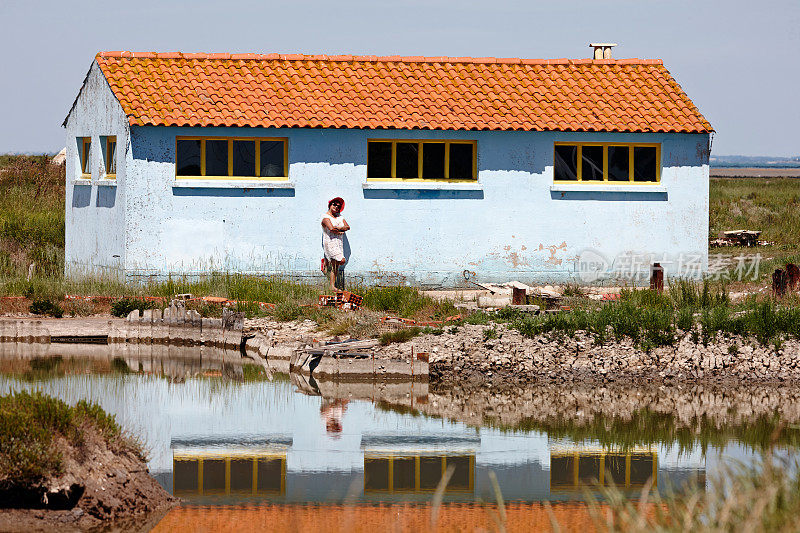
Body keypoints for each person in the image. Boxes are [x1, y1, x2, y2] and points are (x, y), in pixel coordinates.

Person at [321, 197, 349, 291]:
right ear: (330, 205)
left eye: (338, 206)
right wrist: (341, 229)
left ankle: (332, 286)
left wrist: (339, 229)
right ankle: (326, 262)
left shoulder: (340, 217)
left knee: (335, 264)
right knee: (341, 260)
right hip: (330, 241)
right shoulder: (325, 217)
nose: (336, 207)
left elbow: (347, 227)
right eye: (334, 204)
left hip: (339, 242)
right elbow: (331, 229)